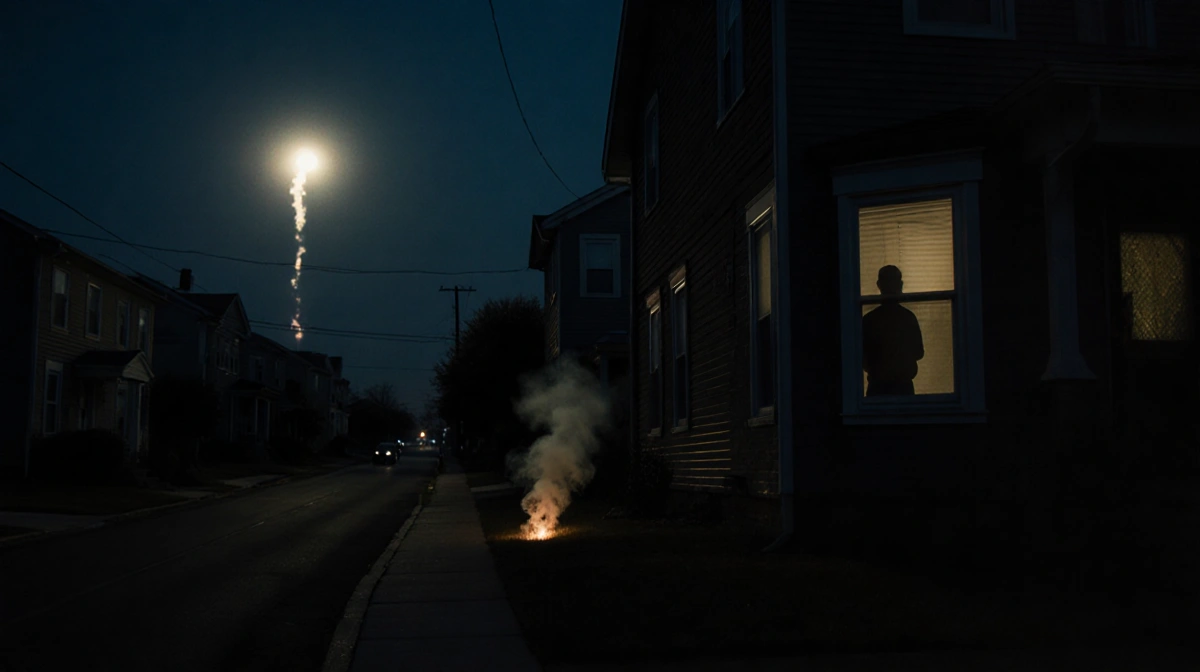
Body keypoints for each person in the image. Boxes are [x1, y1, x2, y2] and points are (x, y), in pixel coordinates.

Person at [862, 265, 924, 396]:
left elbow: (862, 358)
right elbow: (919, 352)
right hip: (902, 386)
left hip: (878, 387)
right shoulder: (908, 318)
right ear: (900, 284)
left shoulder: (869, 320)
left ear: (879, 285)